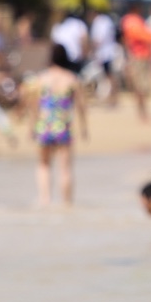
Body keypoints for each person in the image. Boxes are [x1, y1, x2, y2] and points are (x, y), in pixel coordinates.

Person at [32, 44, 87, 206]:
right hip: (63, 126)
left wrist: (32, 126)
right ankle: (67, 203)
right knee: (66, 168)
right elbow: (81, 106)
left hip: (44, 125)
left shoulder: (41, 78)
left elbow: (35, 104)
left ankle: (45, 199)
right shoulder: (71, 78)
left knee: (43, 165)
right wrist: (84, 128)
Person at [122, 6, 151, 121]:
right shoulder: (133, 20)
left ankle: (142, 112)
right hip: (139, 57)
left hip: (139, 56)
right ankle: (143, 113)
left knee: (140, 87)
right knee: (140, 86)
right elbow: (146, 37)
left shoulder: (130, 20)